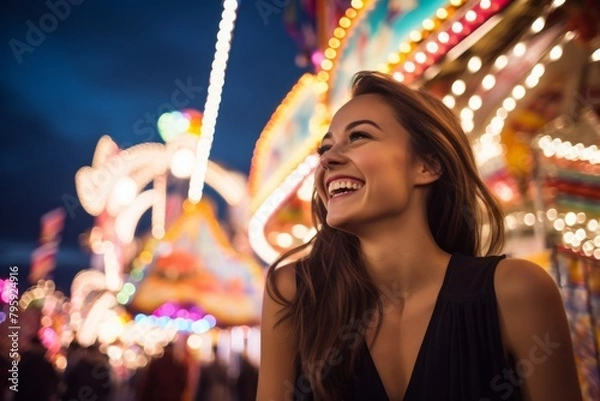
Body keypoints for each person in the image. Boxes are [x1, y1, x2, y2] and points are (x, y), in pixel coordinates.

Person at [256, 71, 582, 401]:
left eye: (358, 137)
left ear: (427, 166)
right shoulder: (294, 293)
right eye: (325, 148)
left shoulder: (517, 289)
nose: (328, 158)